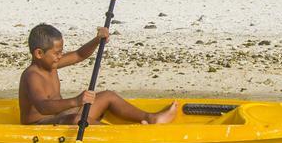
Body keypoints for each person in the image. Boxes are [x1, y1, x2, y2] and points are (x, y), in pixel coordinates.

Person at [18, 23, 177, 125]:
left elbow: (79, 55)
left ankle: (151, 118)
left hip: (60, 115)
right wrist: (76, 101)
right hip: (40, 125)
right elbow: (43, 107)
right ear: (39, 53)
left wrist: (97, 40)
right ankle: (119, 136)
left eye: (61, 52)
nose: (60, 56)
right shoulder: (32, 76)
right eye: (57, 53)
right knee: (76, 119)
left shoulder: (51, 63)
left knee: (107, 95)